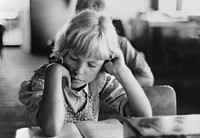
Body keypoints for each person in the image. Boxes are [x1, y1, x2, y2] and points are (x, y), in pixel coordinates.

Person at [19, 9, 152, 136]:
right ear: (63, 51)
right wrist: (53, 71)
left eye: (92, 64)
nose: (80, 70)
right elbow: (51, 128)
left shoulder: (100, 81)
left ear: (105, 62)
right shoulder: (43, 80)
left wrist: (121, 70)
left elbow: (143, 116)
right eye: (74, 58)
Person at [73, 0, 154, 87]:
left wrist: (113, 85)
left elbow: (147, 79)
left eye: (102, 23)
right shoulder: (68, 43)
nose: (94, 31)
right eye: (86, 24)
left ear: (110, 21)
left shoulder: (121, 45)